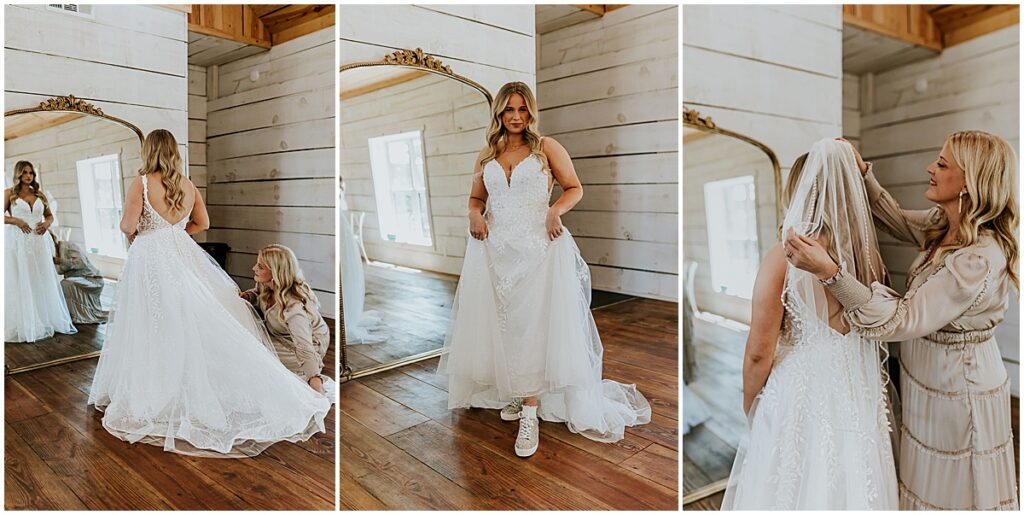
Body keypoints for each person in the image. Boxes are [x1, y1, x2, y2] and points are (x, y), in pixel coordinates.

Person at [786, 131, 1018, 510]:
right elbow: (894, 220)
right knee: (926, 475)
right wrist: (863, 174)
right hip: (928, 376)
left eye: (942, 164)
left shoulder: (977, 259)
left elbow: (900, 319)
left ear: (970, 182)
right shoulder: (944, 225)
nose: (931, 168)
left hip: (960, 386)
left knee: (957, 483)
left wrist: (832, 273)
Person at [437, 82, 651, 458]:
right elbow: (476, 198)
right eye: (508, 110)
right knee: (506, 328)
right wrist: (474, 214)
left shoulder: (546, 148)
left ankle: (531, 413)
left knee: (533, 327)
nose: (516, 117)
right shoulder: (487, 153)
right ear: (499, 114)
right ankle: (520, 394)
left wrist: (555, 211)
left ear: (530, 112)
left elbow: (574, 188)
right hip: (495, 250)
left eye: (522, 109)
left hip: (538, 249)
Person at [88, 129, 330, 457]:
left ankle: (159, 388)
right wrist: (175, 233)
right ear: (173, 152)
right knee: (187, 321)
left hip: (150, 260)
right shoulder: (187, 185)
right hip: (181, 254)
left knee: (152, 323)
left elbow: (127, 227)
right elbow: (203, 222)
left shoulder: (142, 183)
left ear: (149, 151)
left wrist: (150, 233)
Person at [722, 139, 898, 509]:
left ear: (801, 191)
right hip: (856, 383)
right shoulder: (869, 259)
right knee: (854, 474)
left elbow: (758, 352)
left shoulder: (783, 258)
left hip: (802, 391)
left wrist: (751, 404)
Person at [241, 244, 331, 394]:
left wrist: (314, 378)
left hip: (306, 345)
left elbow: (304, 345)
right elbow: (257, 293)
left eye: (260, 267)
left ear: (276, 272)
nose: (254, 268)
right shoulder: (266, 284)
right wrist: (248, 296)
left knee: (252, 352)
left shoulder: (293, 307)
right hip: (281, 336)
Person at [4, 160, 76, 342]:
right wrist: (16, 221)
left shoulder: (39, 194)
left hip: (39, 241)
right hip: (19, 242)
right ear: (18, 174)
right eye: (25, 172)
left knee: (41, 277)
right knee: (23, 277)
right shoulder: (9, 194)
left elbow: (50, 215)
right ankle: (26, 322)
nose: (29, 176)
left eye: (31, 173)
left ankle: (45, 319)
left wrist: (46, 223)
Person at [52, 231, 108, 324]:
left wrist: (61, 260)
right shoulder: (53, 255)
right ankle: (75, 314)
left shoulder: (68, 246)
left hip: (91, 278)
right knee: (63, 284)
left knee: (66, 283)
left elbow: (81, 263)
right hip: (78, 279)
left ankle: (80, 315)